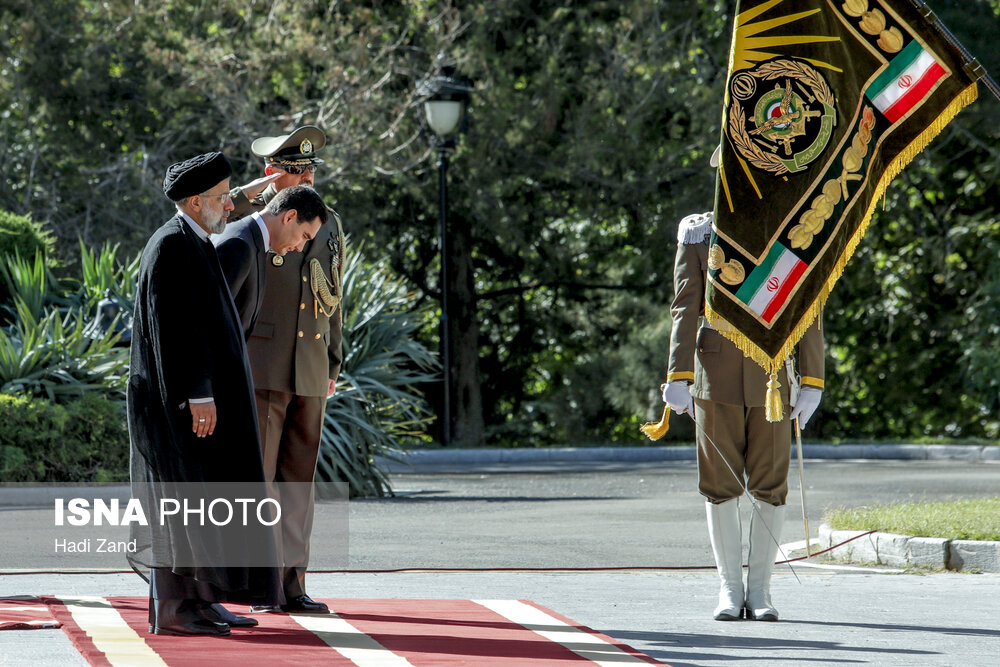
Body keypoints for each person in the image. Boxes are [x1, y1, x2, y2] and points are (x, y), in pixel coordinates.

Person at [663, 151, 824, 622]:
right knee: (721, 485)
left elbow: (806, 308)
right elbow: (684, 307)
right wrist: (678, 374)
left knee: (769, 485)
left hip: (775, 376)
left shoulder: (792, 230)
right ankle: (729, 590)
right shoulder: (699, 233)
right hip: (714, 375)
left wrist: (811, 380)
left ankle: (762, 592)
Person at [127, 152, 283, 636]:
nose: (230, 208)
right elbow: (175, 331)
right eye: (220, 198)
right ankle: (176, 610)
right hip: (180, 406)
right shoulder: (172, 245)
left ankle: (204, 601)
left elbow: (227, 201)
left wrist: (256, 189)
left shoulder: (193, 234)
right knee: (181, 504)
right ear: (195, 202)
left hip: (200, 400)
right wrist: (198, 394)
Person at [229, 125, 346, 614]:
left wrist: (334, 361)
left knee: (298, 484)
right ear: (271, 172)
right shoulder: (246, 221)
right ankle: (256, 585)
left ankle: (292, 583)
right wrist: (247, 194)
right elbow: (203, 220)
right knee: (259, 481)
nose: (307, 178)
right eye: (295, 170)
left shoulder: (327, 221)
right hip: (262, 367)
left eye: (310, 169)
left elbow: (334, 296)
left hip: (311, 367)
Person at [213, 185, 329, 339]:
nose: (300, 247)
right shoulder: (240, 245)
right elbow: (209, 321)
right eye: (304, 236)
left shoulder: (251, 241)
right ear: (289, 217)